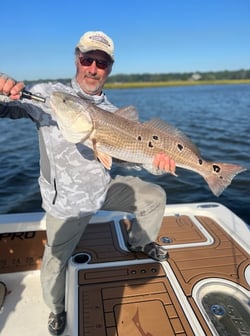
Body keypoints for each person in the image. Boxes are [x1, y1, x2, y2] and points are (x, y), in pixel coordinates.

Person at [0, 31, 176, 335]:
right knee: (54, 261)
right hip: (65, 203)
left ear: (110, 68)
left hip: (101, 190)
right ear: (76, 58)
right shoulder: (50, 96)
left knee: (153, 195)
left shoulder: (113, 112)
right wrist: (3, 89)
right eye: (87, 59)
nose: (93, 68)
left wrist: (156, 164)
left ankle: (140, 243)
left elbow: (129, 159)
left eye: (102, 63)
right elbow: (6, 108)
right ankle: (56, 309)